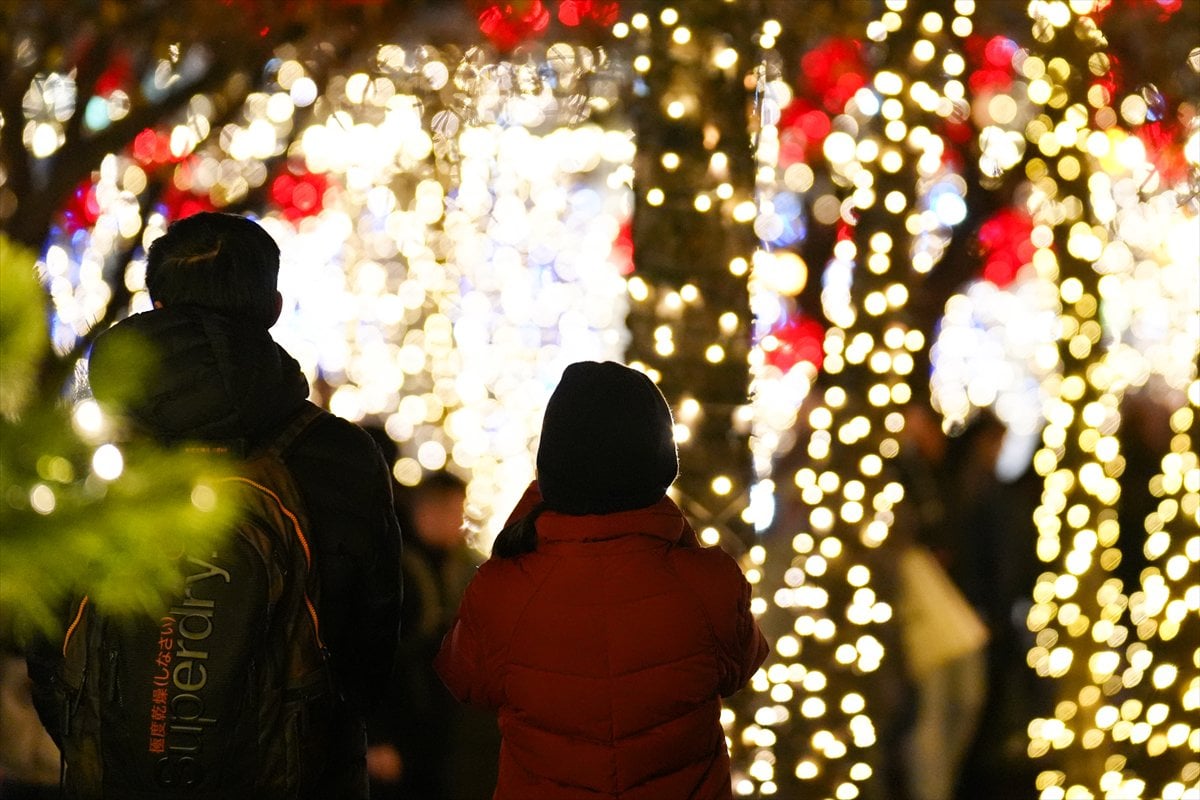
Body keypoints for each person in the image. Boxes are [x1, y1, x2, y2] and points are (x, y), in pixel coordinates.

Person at [29, 212, 402, 798]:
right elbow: (372, 656)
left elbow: (45, 635)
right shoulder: (338, 455)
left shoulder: (83, 453)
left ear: (154, 302)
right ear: (273, 307)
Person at [435, 360, 768, 800]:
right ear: (659, 461)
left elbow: (464, 678)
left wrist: (536, 507)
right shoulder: (709, 584)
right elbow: (741, 664)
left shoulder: (504, 590)